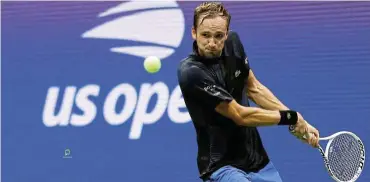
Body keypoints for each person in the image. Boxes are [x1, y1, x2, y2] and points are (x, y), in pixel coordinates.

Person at [177, 2, 320, 182]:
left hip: (258, 161)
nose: (212, 43)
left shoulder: (233, 45)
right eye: (205, 35)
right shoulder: (191, 72)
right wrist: (290, 118)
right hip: (221, 166)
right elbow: (239, 115)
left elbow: (253, 88)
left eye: (219, 36)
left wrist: (298, 122)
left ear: (227, 34)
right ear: (194, 33)